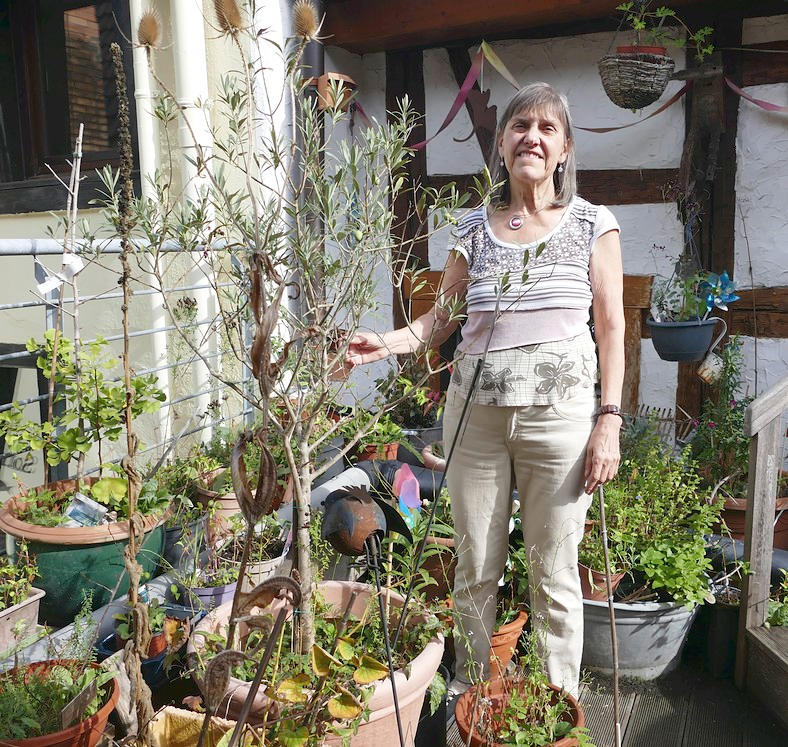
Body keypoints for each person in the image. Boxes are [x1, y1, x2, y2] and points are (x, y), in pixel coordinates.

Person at [346, 82, 624, 700]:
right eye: (520, 125)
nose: (532, 136)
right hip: (474, 422)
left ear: (564, 151)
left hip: (561, 419)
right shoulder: (471, 228)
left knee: (553, 575)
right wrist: (385, 343)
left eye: (547, 129)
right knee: (474, 569)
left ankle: (558, 710)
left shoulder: (591, 225)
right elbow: (439, 320)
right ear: (501, 145)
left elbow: (612, 326)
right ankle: (474, 698)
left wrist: (610, 417)